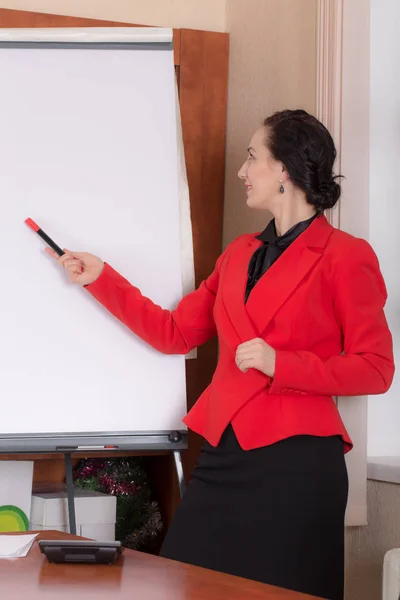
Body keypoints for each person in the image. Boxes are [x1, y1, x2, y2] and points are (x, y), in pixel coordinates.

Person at [47, 109, 394, 600]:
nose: (242, 171)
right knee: (184, 583)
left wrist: (282, 364)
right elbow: (173, 332)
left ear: (285, 170)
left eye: (253, 157)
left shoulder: (344, 255)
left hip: (296, 465)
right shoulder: (238, 253)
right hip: (224, 456)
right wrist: (102, 277)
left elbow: (377, 368)